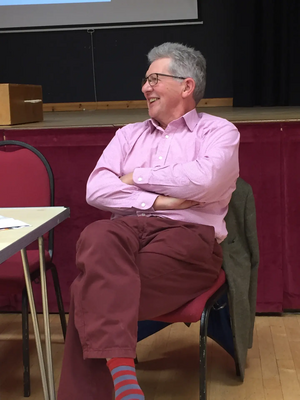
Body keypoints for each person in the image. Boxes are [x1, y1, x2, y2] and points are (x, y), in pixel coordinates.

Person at [57, 42, 240, 400]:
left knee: (86, 291)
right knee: (97, 232)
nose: (145, 87)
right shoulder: (127, 134)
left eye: (154, 79)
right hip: (127, 231)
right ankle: (127, 387)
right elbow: (96, 189)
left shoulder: (219, 132)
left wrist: (135, 176)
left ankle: (119, 382)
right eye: (145, 80)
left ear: (186, 86)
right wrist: (160, 199)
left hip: (190, 238)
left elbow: (204, 180)